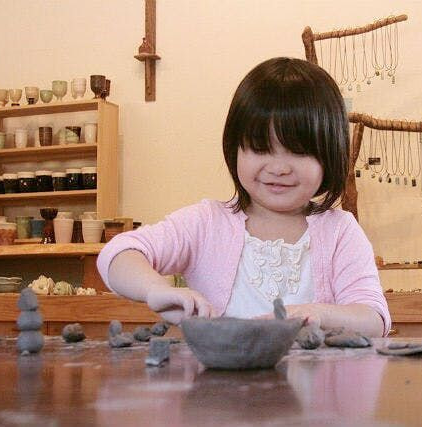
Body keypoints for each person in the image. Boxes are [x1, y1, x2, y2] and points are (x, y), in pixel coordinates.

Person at [97, 57, 391, 337]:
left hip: (316, 376)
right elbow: (118, 253)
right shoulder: (206, 223)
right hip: (219, 376)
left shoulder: (340, 231)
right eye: (261, 148)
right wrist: (155, 290)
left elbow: (374, 319)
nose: (278, 168)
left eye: (299, 151)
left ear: (329, 153)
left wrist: (316, 314)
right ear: (234, 147)